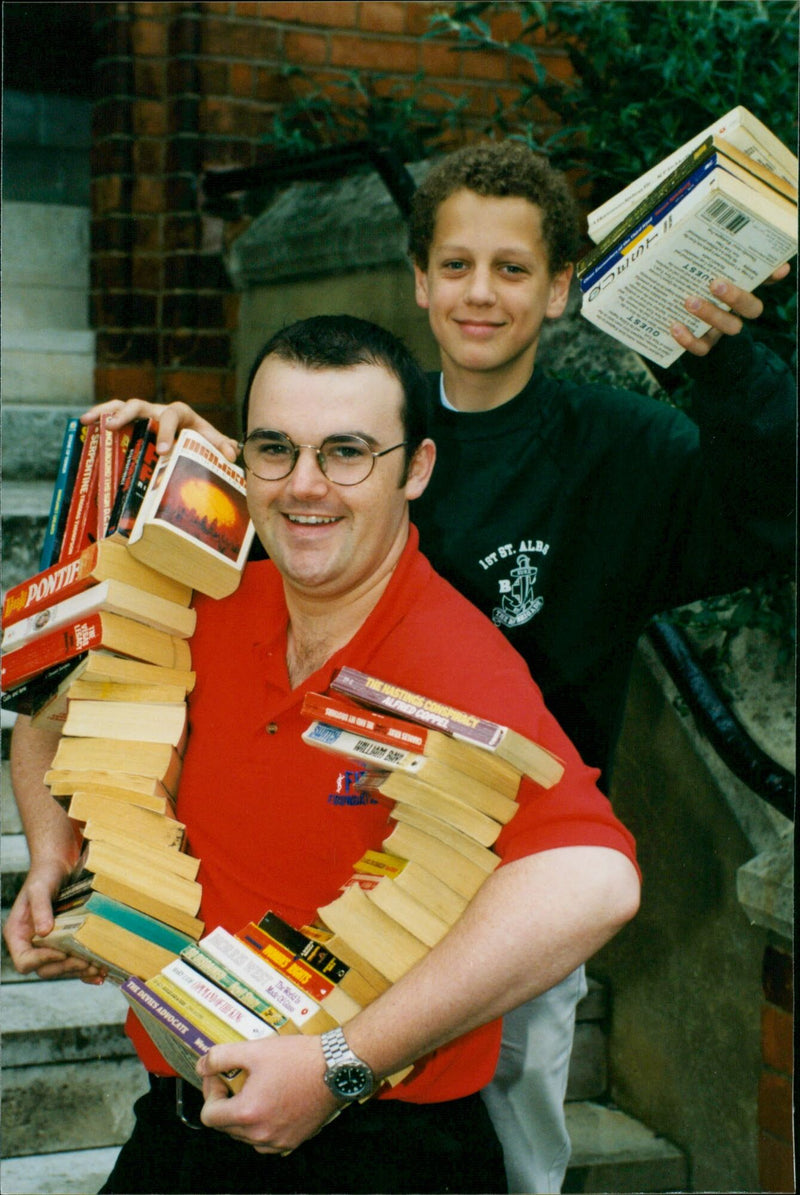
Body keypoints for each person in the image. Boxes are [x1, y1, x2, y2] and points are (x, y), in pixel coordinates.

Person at [82, 142, 794, 1193]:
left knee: (505, 1139)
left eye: (512, 268)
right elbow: (280, 509)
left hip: (509, 857)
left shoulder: (617, 445)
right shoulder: (363, 414)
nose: (479, 293)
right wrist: (201, 462)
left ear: (559, 287)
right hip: (342, 865)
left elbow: (768, 504)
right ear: (418, 279)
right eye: (455, 264)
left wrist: (727, 363)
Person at [4, 315, 641, 1195]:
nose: (306, 485)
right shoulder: (212, 596)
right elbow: (49, 705)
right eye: (276, 449)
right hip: (183, 1121)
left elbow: (595, 881)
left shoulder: (452, 661)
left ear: (416, 468)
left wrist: (342, 1063)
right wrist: (57, 857)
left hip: (378, 1144)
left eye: (347, 452)